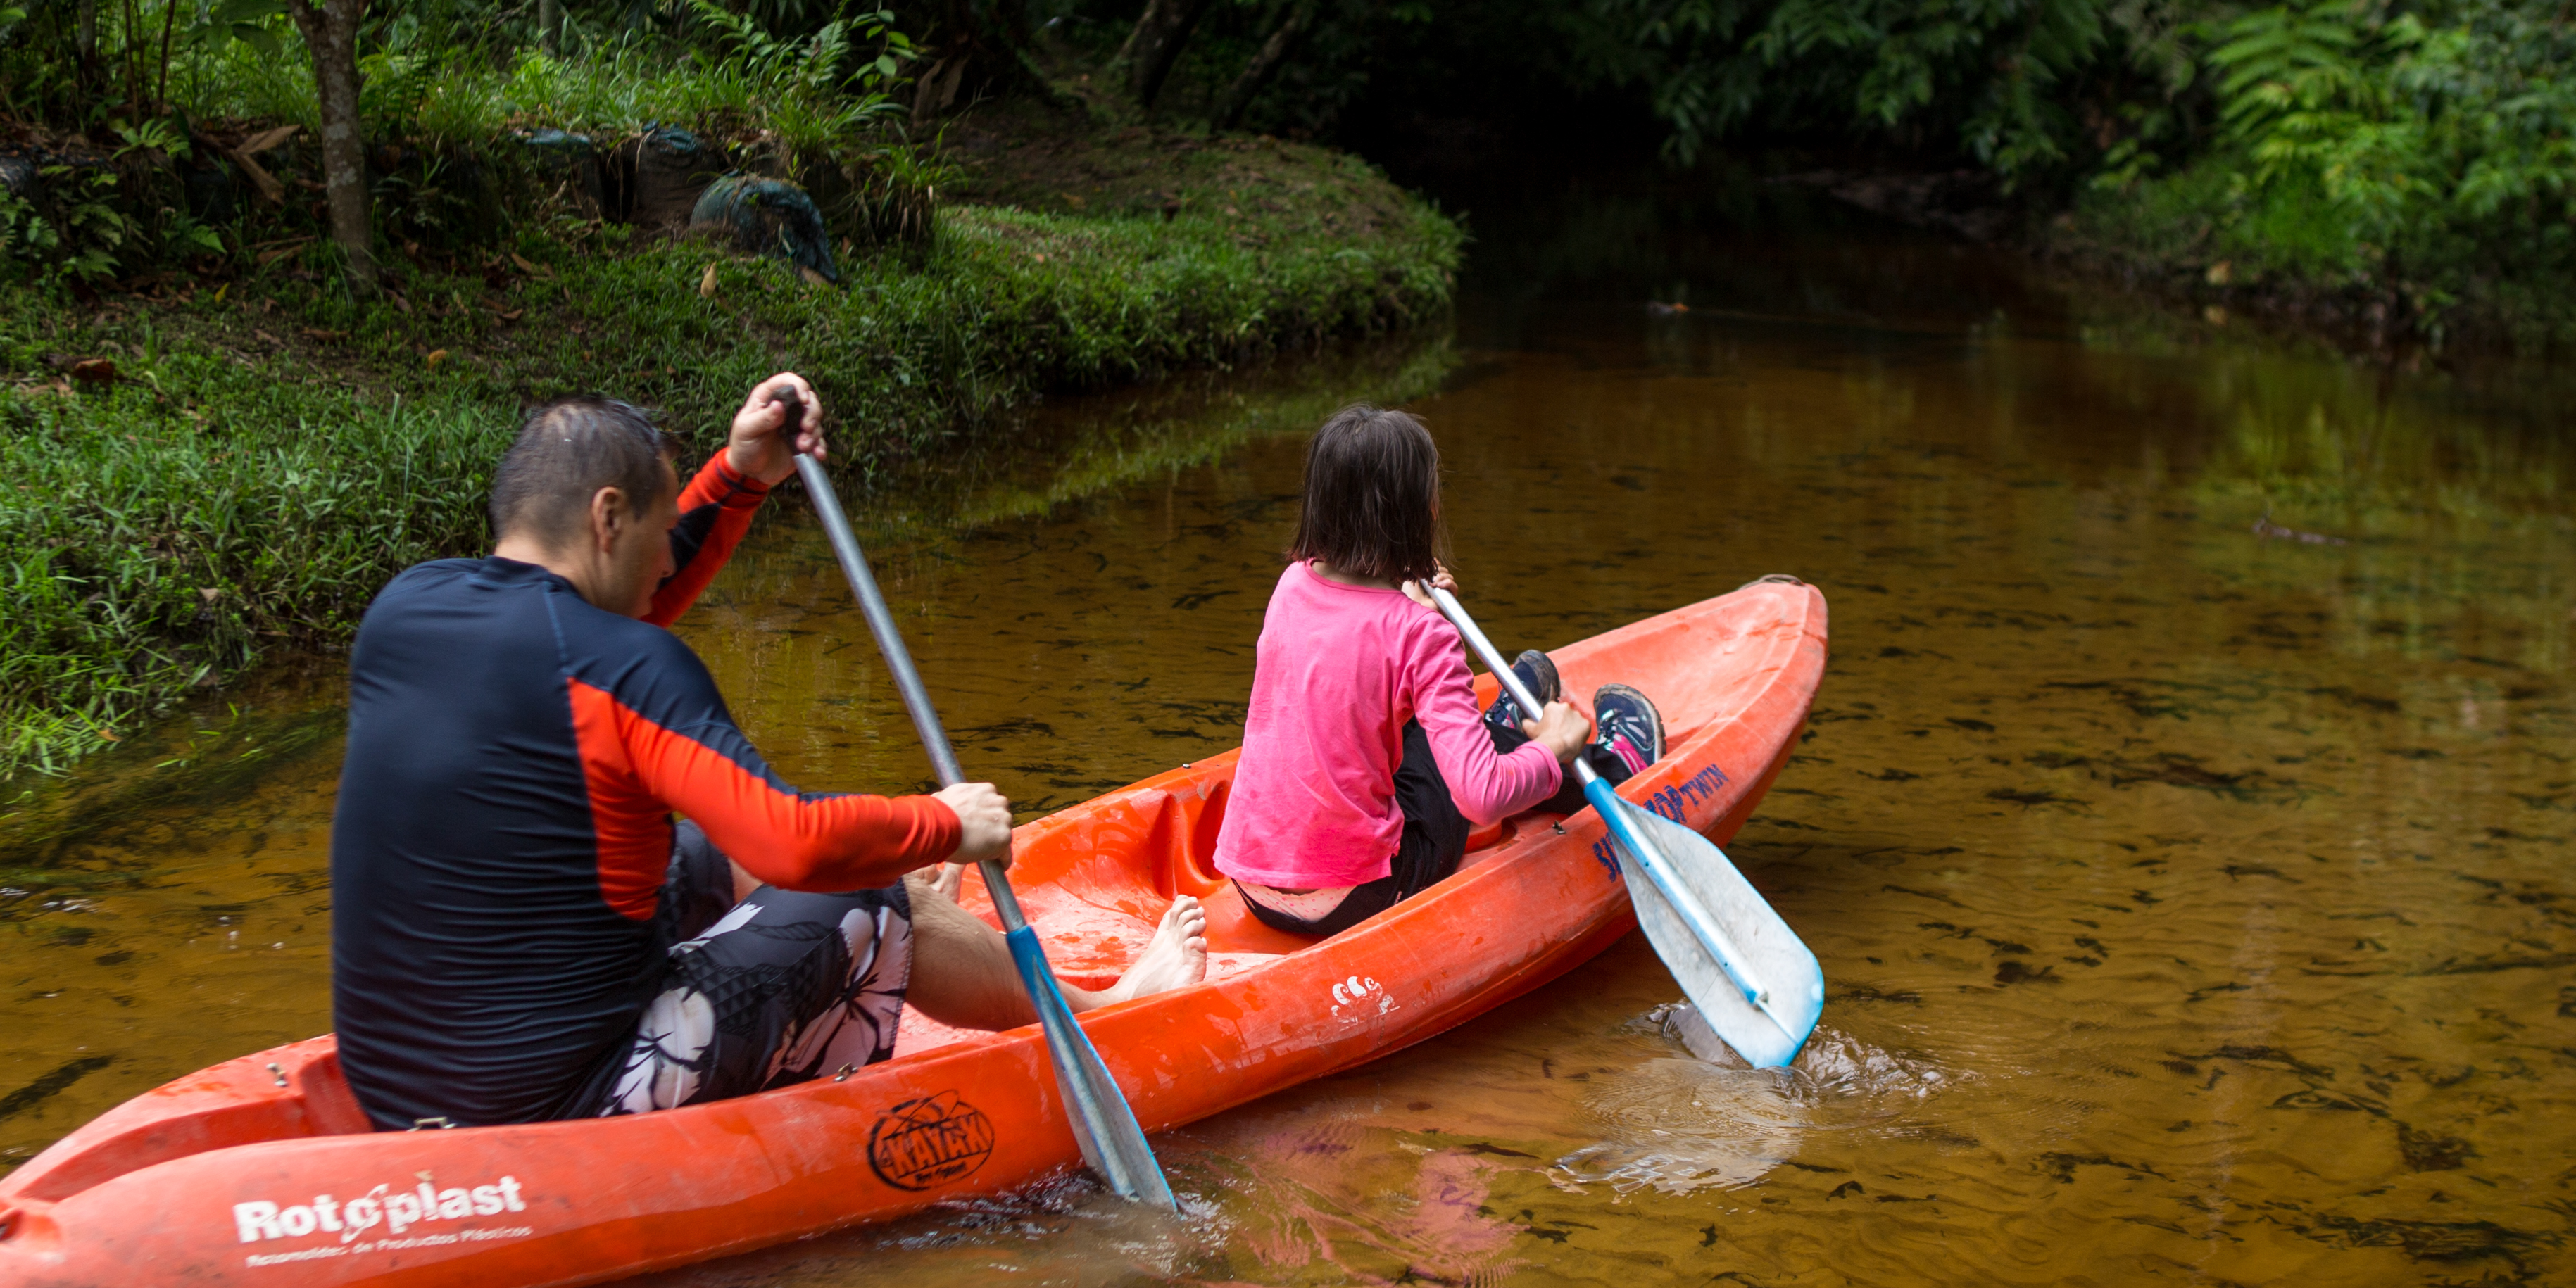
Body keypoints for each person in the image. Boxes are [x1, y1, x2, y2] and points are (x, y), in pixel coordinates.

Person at [328, 379, 1205, 1132]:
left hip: (396, 1085)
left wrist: (741, 477)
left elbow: (586, 632)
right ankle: (1100, 1013)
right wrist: (943, 823)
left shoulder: (407, 611)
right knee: (855, 878)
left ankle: (937, 933)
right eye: (659, 528)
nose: (663, 559)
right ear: (606, 518)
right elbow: (791, 847)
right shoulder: (629, 668)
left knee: (722, 851)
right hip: (556, 1101)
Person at [1214, 403, 1664, 941]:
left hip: (1253, 885)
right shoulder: (1422, 637)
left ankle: (1495, 725)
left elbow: (1351, 669)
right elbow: (1482, 799)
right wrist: (1553, 748)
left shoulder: (1291, 585)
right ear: (1421, 511)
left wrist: (1408, 611)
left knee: (1425, 735)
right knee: (1483, 763)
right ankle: (1616, 767)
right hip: (1358, 894)